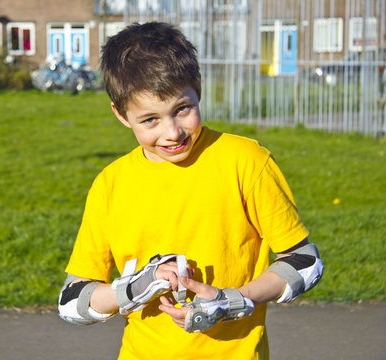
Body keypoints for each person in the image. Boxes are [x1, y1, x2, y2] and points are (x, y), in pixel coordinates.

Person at [58, 22, 324, 359]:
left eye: (182, 109)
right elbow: (72, 301)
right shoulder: (110, 184)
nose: (172, 133)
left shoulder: (246, 161)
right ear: (122, 115)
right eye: (150, 120)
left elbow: (304, 262)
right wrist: (137, 287)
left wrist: (233, 300)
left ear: (198, 89)